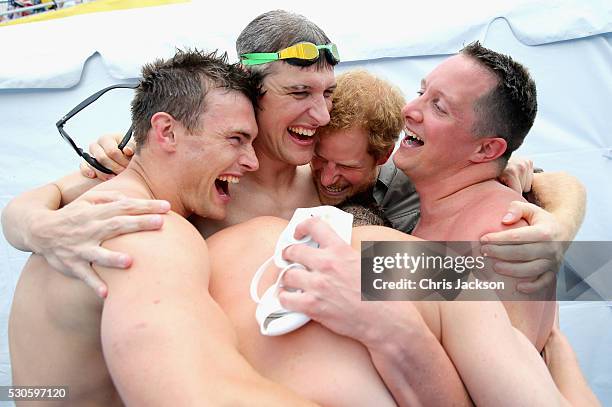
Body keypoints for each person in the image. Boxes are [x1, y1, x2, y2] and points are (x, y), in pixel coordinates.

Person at [9, 49, 327, 406]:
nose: (251, 161)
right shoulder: (143, 225)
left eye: (329, 95)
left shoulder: (331, 180)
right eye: (236, 139)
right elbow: (194, 395)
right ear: (166, 132)